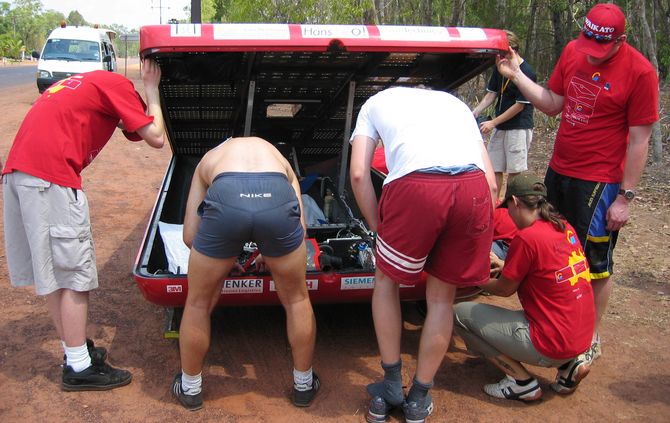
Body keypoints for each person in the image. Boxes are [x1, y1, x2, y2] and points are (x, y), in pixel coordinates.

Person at [496, 3, 659, 365]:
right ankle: (553, 323)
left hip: (600, 182)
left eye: (603, 49)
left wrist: (626, 198)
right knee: (554, 249)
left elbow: (639, 140)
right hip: (561, 170)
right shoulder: (573, 51)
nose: (594, 56)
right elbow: (553, 103)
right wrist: (516, 74)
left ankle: (588, 340)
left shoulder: (640, 72)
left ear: (621, 40)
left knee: (592, 262)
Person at [2, 59, 166, 391]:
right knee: (75, 275)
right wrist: (153, 91)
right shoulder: (118, 86)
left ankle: (76, 353)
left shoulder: (83, 84)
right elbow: (156, 137)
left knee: (56, 274)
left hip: (21, 175)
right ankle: (79, 368)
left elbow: (128, 128)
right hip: (50, 178)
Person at [349, 85, 496, 423]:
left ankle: (390, 383)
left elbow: (359, 174)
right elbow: (490, 183)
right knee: (442, 299)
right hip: (472, 188)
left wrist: (378, 230)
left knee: (386, 281)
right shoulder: (455, 104)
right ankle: (419, 397)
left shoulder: (375, 103)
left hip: (416, 187)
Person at [171, 136, 318, 411]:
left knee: (198, 303)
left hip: (226, 194)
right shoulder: (279, 159)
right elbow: (300, 228)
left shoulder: (209, 160)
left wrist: (224, 258)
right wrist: (271, 252)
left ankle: (190, 389)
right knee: (297, 300)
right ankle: (304, 385)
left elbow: (190, 235)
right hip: (276, 193)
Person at [454, 173, 595, 401]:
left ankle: (521, 381)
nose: (508, 214)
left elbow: (503, 290)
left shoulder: (527, 238)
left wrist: (472, 278)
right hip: (581, 336)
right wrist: (503, 264)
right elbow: (548, 271)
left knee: (459, 314)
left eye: (508, 207)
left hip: (550, 341)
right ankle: (570, 365)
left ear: (516, 202)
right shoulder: (564, 227)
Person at [472, 30, 536, 199]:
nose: (500, 57)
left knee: (515, 171)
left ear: (513, 51)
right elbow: (491, 95)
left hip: (518, 128)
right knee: (495, 168)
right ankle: (494, 206)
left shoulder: (527, 72)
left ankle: (510, 208)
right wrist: (475, 112)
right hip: (501, 126)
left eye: (503, 53)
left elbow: (519, 106)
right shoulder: (500, 67)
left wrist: (493, 123)